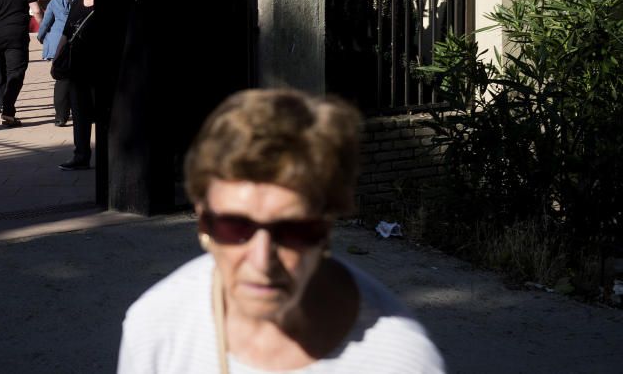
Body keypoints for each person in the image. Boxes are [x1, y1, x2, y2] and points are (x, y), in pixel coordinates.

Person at [117, 88, 446, 373]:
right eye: (235, 227)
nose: (262, 260)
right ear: (204, 225)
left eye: (294, 231)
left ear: (327, 227)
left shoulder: (402, 360)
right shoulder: (156, 326)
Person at [57, 0, 96, 170]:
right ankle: (81, 155)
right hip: (77, 67)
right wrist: (57, 55)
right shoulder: (78, 0)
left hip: (100, 67)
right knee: (80, 114)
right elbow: (67, 31)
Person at [38, 0, 83, 127]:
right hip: (80, 42)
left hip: (60, 44)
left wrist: (41, 36)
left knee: (62, 80)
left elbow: (46, 20)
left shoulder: (57, 0)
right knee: (80, 80)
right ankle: (82, 113)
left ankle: (60, 116)